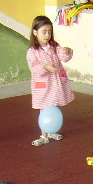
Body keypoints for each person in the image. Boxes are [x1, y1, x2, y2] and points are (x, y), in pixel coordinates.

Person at [26, 15, 74, 146]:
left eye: (49, 32)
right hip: (43, 86)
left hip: (56, 83)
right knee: (44, 108)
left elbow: (63, 57)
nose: (47, 35)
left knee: (54, 106)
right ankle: (44, 135)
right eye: (44, 32)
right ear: (35, 32)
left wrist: (66, 51)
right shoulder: (32, 51)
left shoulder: (54, 46)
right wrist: (45, 67)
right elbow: (34, 67)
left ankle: (52, 131)